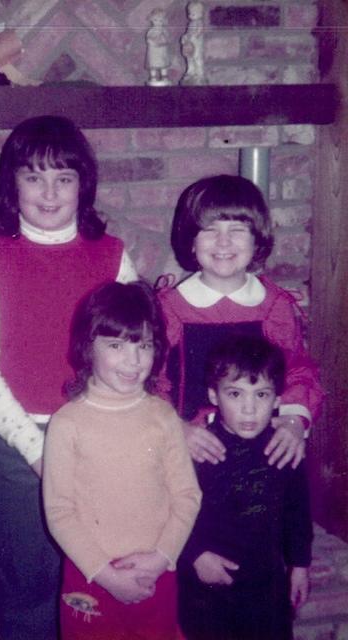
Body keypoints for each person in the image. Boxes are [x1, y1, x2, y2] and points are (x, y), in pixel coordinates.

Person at [0, 115, 137, 640]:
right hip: (18, 453)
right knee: (29, 590)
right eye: (34, 176)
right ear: (12, 184)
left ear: (84, 184)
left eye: (64, 177)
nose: (50, 191)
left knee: (97, 584)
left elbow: (137, 354)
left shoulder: (114, 256)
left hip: (102, 445)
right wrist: (38, 450)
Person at [43, 281, 202, 640]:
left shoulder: (163, 417)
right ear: (88, 348)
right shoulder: (67, 423)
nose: (133, 361)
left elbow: (187, 496)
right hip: (91, 578)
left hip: (156, 574)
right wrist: (107, 576)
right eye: (116, 346)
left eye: (143, 346)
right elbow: (59, 512)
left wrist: (162, 558)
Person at [157, 174, 323, 470]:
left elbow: (297, 370)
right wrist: (175, 430)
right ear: (191, 242)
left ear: (257, 238)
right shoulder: (170, 308)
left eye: (237, 229)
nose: (223, 242)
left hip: (259, 447)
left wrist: (294, 421)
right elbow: (153, 381)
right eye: (210, 230)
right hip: (189, 447)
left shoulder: (275, 306)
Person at [177, 334, 313, 640]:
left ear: (278, 400)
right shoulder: (199, 448)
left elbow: (297, 512)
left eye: (261, 395)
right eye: (236, 394)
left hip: (266, 588)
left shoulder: (284, 447)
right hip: (205, 587)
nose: (249, 409)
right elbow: (169, 510)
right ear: (214, 395)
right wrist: (195, 554)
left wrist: (300, 565)